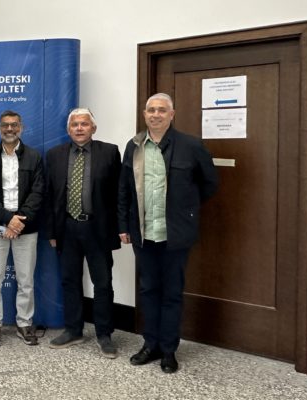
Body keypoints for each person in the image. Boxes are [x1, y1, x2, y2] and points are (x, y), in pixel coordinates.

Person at [118, 93, 219, 373]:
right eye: (151, 110)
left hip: (175, 234)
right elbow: (124, 188)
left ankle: (169, 350)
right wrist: (123, 226)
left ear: (171, 115)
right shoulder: (134, 145)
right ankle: (150, 344)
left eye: (162, 110)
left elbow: (209, 183)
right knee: (148, 290)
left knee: (172, 293)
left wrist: (185, 209)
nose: (156, 114)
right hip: (144, 233)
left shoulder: (191, 145)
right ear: (144, 114)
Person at [45, 108, 122, 358]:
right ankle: (73, 330)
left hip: (98, 228)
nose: (79, 128)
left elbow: (119, 193)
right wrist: (52, 231)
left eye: (84, 124)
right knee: (70, 281)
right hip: (67, 228)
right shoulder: (55, 155)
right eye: (75, 125)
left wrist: (121, 228)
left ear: (93, 128)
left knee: (103, 282)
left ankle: (104, 334)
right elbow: (50, 195)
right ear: (68, 130)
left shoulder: (110, 152)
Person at [0, 110, 44, 347]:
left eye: (14, 125)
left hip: (26, 226)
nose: (9, 129)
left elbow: (38, 191)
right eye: (5, 125)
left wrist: (19, 221)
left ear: (21, 128)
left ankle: (24, 323)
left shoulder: (34, 157)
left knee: (25, 279)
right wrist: (8, 219)